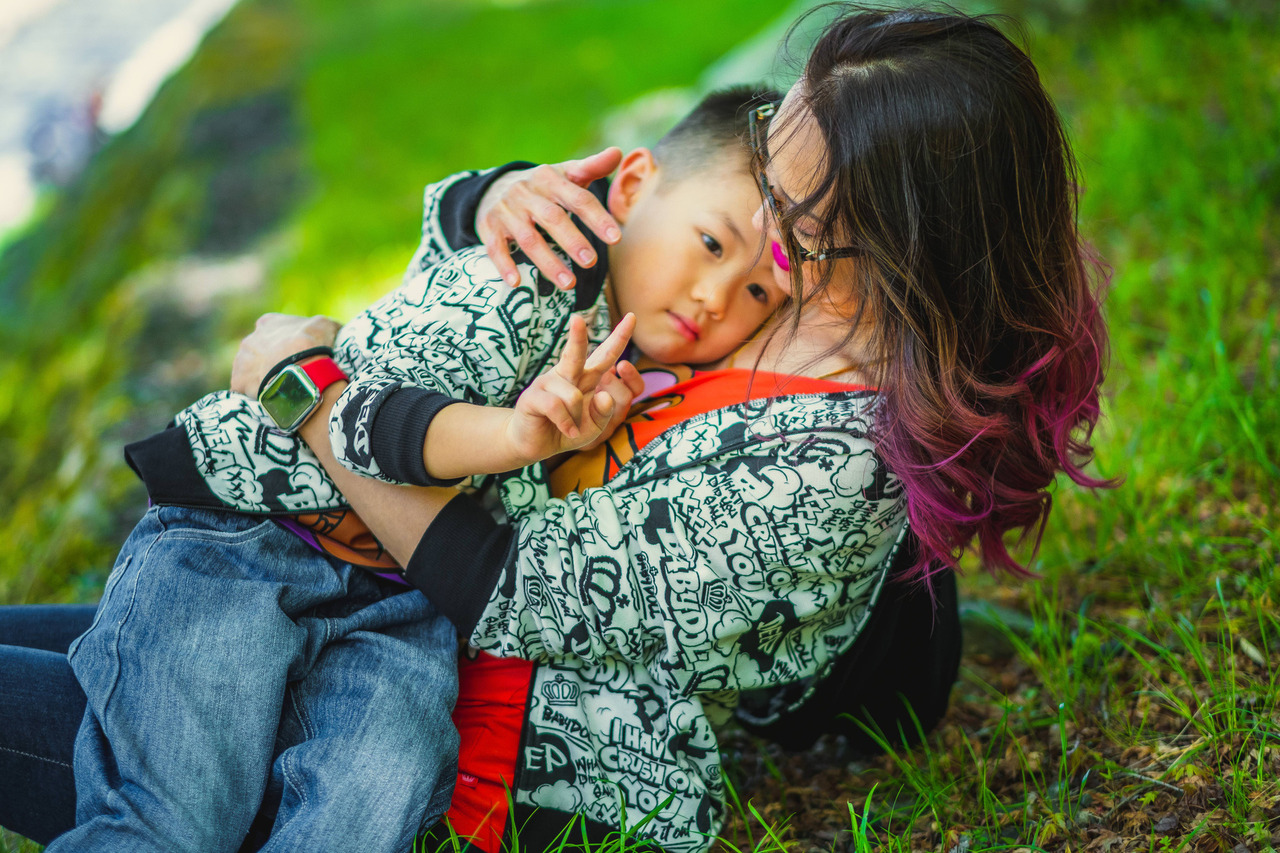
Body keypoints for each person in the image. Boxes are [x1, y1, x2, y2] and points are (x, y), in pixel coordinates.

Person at [0, 8, 1110, 853]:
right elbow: (575, 268)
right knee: (108, 644)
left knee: (144, 760)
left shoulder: (831, 459)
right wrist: (492, 200)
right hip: (373, 601)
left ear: (880, 239)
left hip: (465, 730)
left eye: (789, 184)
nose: (759, 172)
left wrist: (306, 394)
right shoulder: (762, 303)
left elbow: (511, 582)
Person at [29, 87, 788, 853]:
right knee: (170, 809)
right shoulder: (529, 273)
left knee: (370, 799)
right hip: (256, 544)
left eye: (760, 290)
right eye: (714, 245)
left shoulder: (648, 371)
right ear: (629, 186)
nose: (715, 298)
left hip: (401, 608)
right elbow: (380, 412)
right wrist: (516, 434)